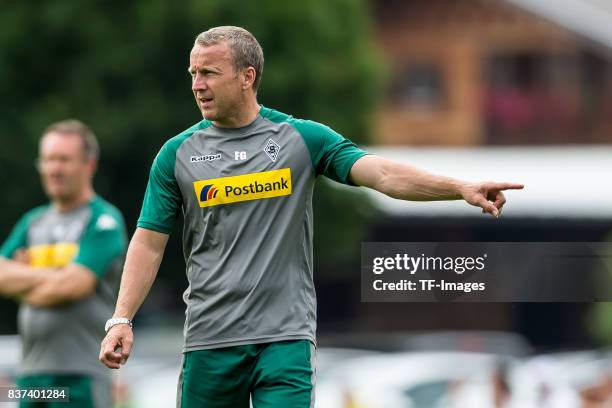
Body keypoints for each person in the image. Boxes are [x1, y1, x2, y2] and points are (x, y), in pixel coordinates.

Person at [99, 26, 523, 407]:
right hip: (211, 339)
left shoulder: (301, 139)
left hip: (285, 339)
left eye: (209, 73)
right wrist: (122, 318)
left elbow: (383, 173)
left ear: (247, 77)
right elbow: (149, 242)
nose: (197, 85)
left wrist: (459, 188)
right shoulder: (177, 155)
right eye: (193, 73)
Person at [0, 120, 127, 408]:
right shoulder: (31, 223)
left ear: (89, 164)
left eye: (64, 160)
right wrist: (54, 275)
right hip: (30, 377)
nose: (54, 169)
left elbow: (72, 286)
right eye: (47, 160)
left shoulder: (104, 221)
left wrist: (23, 279)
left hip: (81, 375)